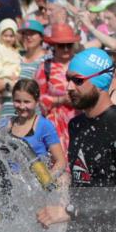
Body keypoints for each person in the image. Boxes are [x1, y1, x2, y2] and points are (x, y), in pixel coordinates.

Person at [35, 48, 116, 232]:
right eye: (68, 79)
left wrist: (68, 212)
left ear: (102, 81)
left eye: (78, 80)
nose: (68, 87)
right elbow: (82, 182)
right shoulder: (76, 125)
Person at [4, 78, 68, 188]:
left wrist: (46, 181)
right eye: (18, 101)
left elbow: (61, 161)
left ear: (37, 101)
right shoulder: (7, 124)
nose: (22, 106)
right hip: (12, 184)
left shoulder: (44, 126)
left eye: (27, 102)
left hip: (34, 183)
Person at [35, 23, 79, 152]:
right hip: (56, 124)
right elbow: (38, 98)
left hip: (80, 119)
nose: (66, 49)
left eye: (69, 45)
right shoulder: (45, 67)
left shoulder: (82, 64)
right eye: (61, 45)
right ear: (54, 46)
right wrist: (61, 100)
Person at [0, 18, 21, 118]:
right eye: (5, 35)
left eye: (11, 36)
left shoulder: (15, 50)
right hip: (1, 84)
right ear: (0, 35)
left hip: (12, 88)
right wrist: (7, 73)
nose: (8, 38)